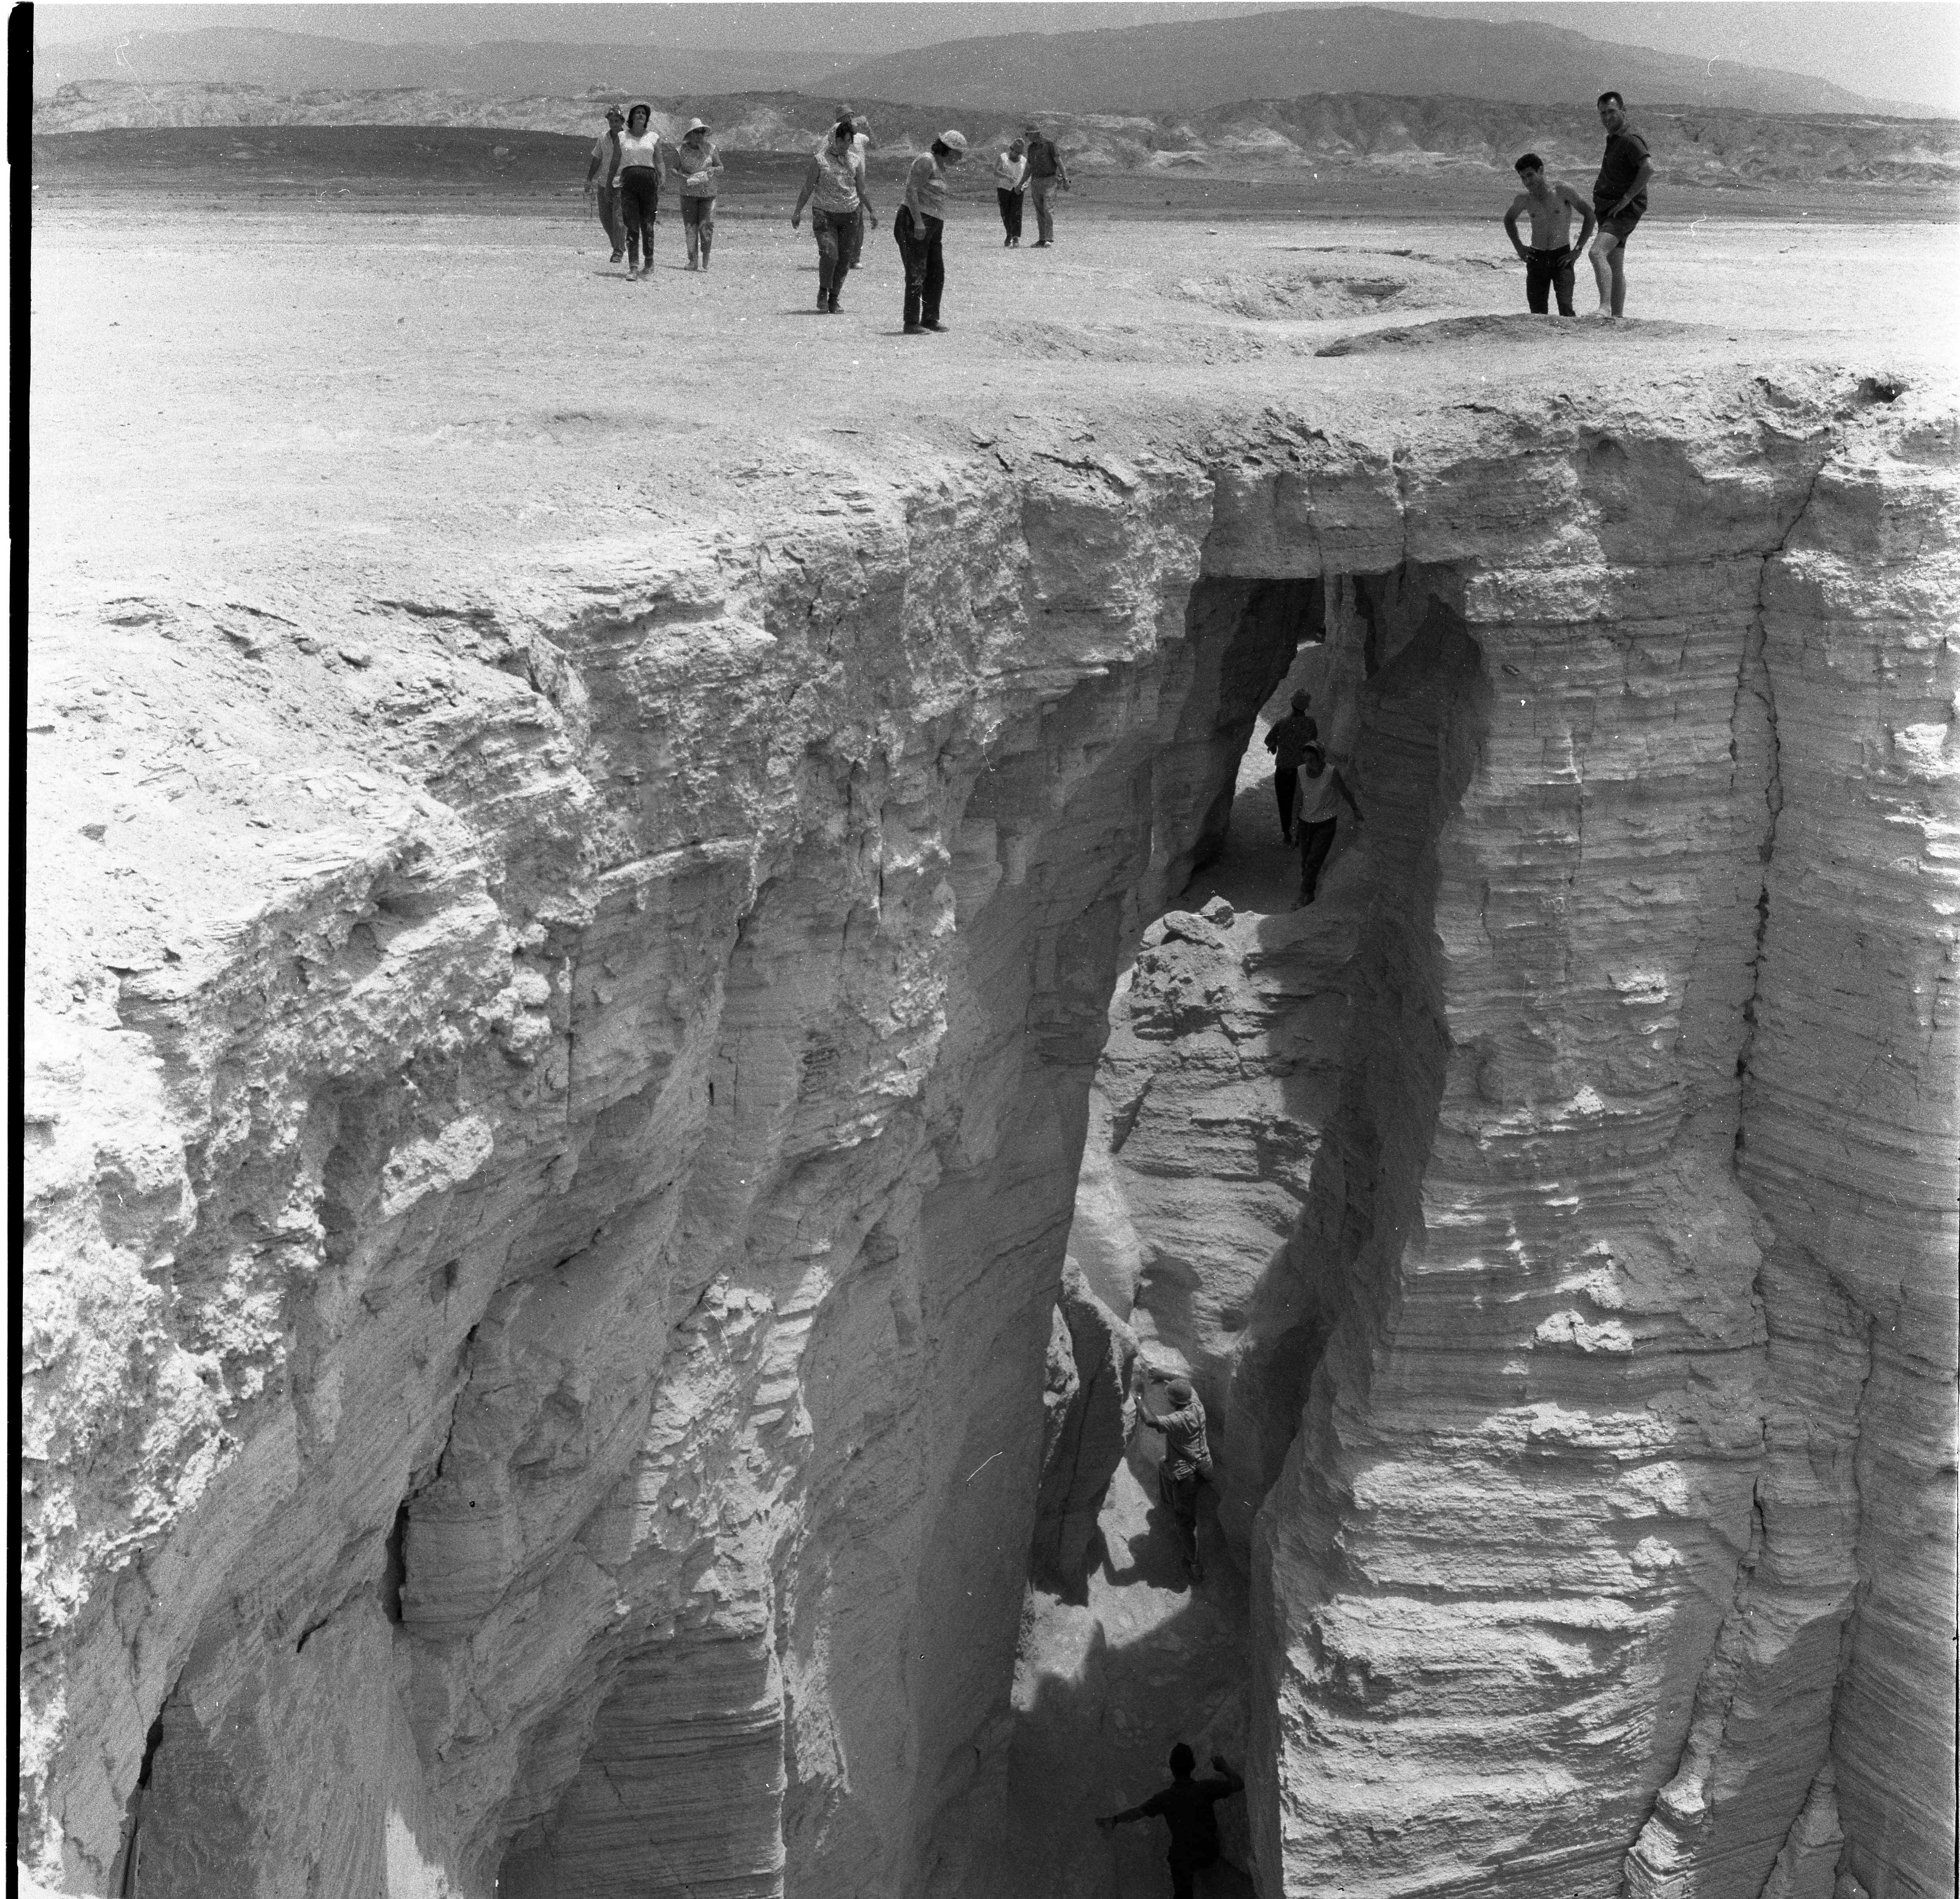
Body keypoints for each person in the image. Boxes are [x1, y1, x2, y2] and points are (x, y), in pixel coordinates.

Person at [1096, 1745, 1246, 1899]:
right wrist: (1224, 1767)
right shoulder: (1205, 1788)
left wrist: (1115, 1820)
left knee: (1181, 1880)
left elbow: (1138, 1813)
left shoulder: (1166, 1798)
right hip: (1209, 1852)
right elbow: (1238, 1785)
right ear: (1192, 1766)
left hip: (1184, 1858)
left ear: (1172, 1768)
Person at [792, 116, 876, 314]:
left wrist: (872, 211)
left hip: (850, 214)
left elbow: (861, 189)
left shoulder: (855, 161)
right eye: (842, 140)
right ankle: (824, 290)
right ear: (833, 139)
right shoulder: (820, 160)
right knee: (830, 254)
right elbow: (808, 187)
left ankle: (834, 298)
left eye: (850, 141)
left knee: (845, 259)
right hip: (825, 214)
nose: (846, 145)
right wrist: (797, 211)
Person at [1135, 1373, 1212, 1581]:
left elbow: (1151, 1421)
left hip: (1186, 1474)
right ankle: (1169, 1505)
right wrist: (1162, 1375)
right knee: (1162, 1464)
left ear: (1173, 1402)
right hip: (1202, 1463)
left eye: (1168, 1396)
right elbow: (1186, 1382)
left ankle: (1194, 1565)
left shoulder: (1180, 1419)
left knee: (1184, 1522)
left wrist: (1139, 1398)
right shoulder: (1196, 1404)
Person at [1503, 152, 1594, 316]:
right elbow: (1509, 219)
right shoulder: (1524, 200)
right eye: (1523, 178)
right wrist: (1519, 247)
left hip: (1561, 257)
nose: (1527, 182)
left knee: (1566, 308)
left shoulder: (1562, 191)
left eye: (1530, 175)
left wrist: (1578, 249)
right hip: (1536, 258)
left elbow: (1589, 214)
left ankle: (1569, 342)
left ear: (1541, 171)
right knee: (1537, 313)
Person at [1589, 91, 1655, 318]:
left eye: (1612, 112)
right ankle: (1617, 318)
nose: (1607, 117)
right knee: (1614, 265)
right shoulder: (1615, 139)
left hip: (1622, 210)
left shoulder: (1629, 139)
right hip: (1609, 209)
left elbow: (1647, 167)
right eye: (1603, 114)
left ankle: (1605, 308)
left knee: (1597, 253)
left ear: (1624, 112)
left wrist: (1627, 198)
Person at [896, 130, 968, 335]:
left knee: (936, 273)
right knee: (917, 272)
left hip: (934, 223)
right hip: (915, 220)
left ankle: (930, 318)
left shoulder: (939, 166)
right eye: (958, 153)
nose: (960, 159)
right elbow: (911, 191)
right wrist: (918, 222)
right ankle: (911, 322)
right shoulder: (926, 162)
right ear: (949, 150)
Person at [1292, 742, 1363, 908]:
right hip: (1305, 822)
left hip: (1326, 823)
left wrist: (1355, 809)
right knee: (1306, 861)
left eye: (1312, 759)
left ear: (1320, 757)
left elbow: (1345, 791)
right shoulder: (1301, 772)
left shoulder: (1331, 773)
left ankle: (1302, 895)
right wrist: (1293, 821)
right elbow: (1298, 796)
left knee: (1313, 860)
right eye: (1306, 759)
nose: (1309, 763)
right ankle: (1309, 894)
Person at [615, 103, 665, 281]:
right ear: (631, 117)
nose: (641, 115)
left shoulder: (653, 137)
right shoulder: (622, 136)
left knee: (648, 224)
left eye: (644, 113)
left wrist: (663, 177)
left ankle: (649, 262)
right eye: (638, 113)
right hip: (629, 181)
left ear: (647, 118)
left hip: (649, 182)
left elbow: (659, 161)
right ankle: (634, 267)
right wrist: (608, 181)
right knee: (632, 225)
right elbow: (615, 161)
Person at [1262, 690, 1319, 843]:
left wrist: (1275, 745)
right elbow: (1313, 740)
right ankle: (1300, 831)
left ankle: (1287, 833)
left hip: (1284, 769)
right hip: (1303, 770)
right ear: (1306, 707)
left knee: (1285, 801)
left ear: (1292, 704)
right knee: (1301, 802)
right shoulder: (1311, 723)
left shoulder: (1282, 722)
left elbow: (1269, 740)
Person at [672, 118, 723, 271]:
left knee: (706, 225)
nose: (700, 135)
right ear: (690, 134)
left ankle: (706, 257)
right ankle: (692, 260)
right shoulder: (680, 150)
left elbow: (721, 167)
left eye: (702, 132)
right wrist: (682, 177)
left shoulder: (711, 149)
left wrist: (714, 170)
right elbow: (673, 169)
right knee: (690, 227)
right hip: (688, 193)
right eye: (697, 132)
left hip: (708, 194)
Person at [583, 106, 625, 264]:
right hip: (603, 183)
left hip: (622, 183)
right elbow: (597, 159)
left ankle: (618, 251)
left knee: (618, 218)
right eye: (611, 121)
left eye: (617, 121)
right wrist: (589, 179)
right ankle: (619, 244)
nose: (614, 124)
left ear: (622, 121)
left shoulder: (627, 138)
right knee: (605, 218)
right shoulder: (603, 138)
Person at [1022, 121, 1071, 246]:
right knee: (1040, 212)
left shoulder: (1049, 144)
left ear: (1035, 134)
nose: (1027, 137)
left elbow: (1059, 162)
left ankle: (1049, 239)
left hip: (1049, 181)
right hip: (1036, 181)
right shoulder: (1031, 148)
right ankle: (1042, 239)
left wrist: (1066, 180)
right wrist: (1021, 184)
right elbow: (1028, 168)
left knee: (1048, 210)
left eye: (1029, 134)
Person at [995, 138, 1027, 246]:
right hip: (1004, 189)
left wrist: (1025, 185)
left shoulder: (1024, 161)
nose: (1017, 155)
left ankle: (1016, 237)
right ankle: (1009, 233)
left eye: (1020, 153)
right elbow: (996, 172)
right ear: (1011, 150)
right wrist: (1007, 177)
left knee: (1017, 213)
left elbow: (1028, 175)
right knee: (1005, 213)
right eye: (1016, 152)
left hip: (1018, 189)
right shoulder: (1003, 158)